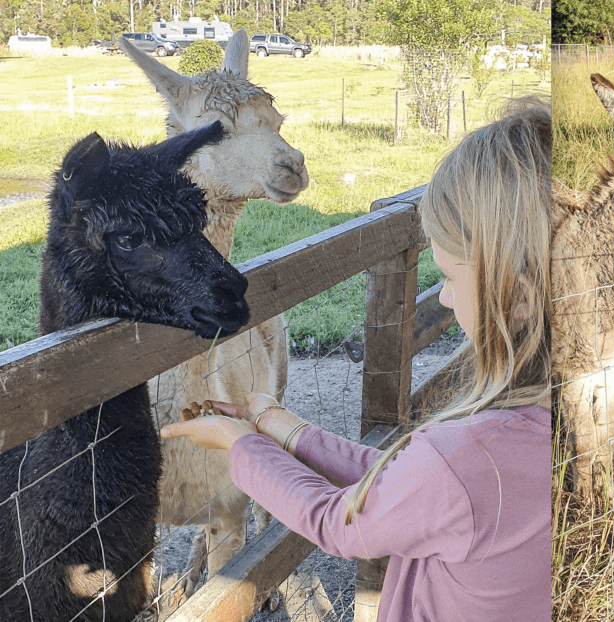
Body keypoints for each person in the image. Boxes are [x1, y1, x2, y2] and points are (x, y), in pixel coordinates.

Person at [161, 97, 552, 622]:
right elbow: (401, 481)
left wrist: (243, 445)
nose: (442, 299)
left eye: (452, 279)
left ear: (520, 299)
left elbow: (339, 522)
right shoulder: (537, 426)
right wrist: (280, 426)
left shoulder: (465, 454)